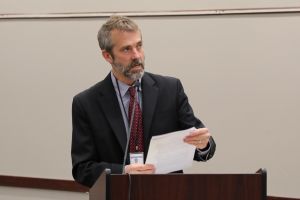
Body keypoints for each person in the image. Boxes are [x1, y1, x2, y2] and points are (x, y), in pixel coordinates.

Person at [71, 15, 216, 188]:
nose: (137, 55)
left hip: (168, 192)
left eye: (139, 46)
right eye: (126, 49)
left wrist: (203, 144)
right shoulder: (87, 103)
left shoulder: (170, 89)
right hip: (119, 193)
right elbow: (82, 169)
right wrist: (123, 171)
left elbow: (200, 143)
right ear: (107, 56)